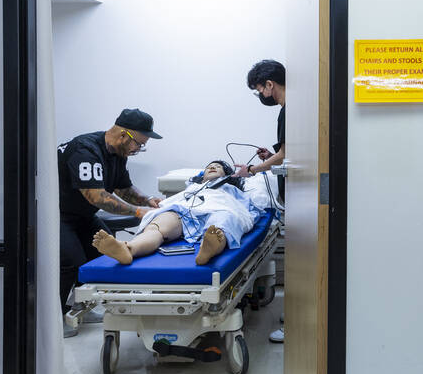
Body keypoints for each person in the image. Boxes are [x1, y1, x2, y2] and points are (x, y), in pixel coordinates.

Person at [58, 108, 163, 337]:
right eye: (139, 144)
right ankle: (56, 315)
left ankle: (80, 306)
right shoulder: (85, 150)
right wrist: (137, 212)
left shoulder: (118, 154)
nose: (139, 150)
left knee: (104, 253)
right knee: (71, 260)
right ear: (124, 135)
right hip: (58, 214)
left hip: (83, 215)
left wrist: (146, 199)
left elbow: (122, 187)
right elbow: (96, 196)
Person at [92, 160, 271, 265]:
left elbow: (247, 209)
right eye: (210, 166)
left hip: (220, 208)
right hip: (187, 212)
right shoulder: (193, 188)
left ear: (229, 175)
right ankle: (129, 249)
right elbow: (175, 202)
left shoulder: (233, 190)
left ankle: (209, 248)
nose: (213, 167)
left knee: (224, 219)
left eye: (218, 166)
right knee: (160, 224)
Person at [237, 59, 287, 342]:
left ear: (269, 84)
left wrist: (252, 170)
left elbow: (288, 153)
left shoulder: (289, 110)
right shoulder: (290, 111)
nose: (261, 96)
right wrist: (271, 157)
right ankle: (299, 314)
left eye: (259, 90)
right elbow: (286, 153)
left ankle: (300, 322)